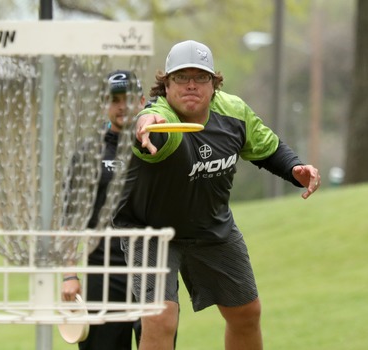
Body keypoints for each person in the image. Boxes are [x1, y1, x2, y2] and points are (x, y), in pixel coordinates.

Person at [112, 40, 321, 350]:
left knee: (247, 312)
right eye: (182, 78)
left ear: (214, 85)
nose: (192, 85)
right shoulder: (160, 117)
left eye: (201, 77)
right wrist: (145, 124)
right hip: (149, 230)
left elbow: (267, 146)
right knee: (159, 317)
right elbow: (150, 126)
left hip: (210, 227)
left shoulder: (233, 112)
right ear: (166, 85)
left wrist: (295, 168)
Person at [61, 70, 146, 350]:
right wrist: (70, 275)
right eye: (115, 100)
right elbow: (70, 218)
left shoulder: (161, 147)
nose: (123, 106)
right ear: (104, 105)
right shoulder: (88, 154)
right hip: (104, 271)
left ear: (143, 101)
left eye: (129, 99)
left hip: (154, 271)